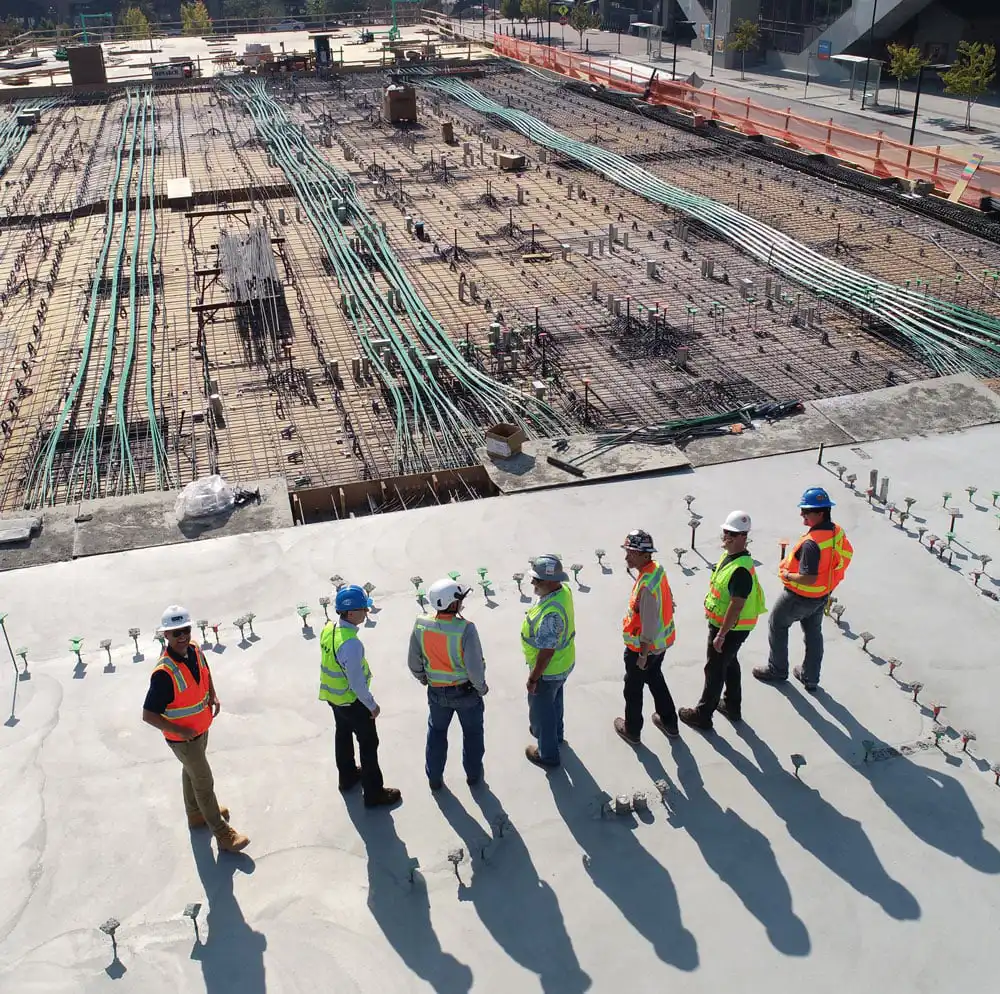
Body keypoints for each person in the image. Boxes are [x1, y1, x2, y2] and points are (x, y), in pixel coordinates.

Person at [142, 605, 250, 853]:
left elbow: (205, 671)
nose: (182, 637)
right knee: (203, 781)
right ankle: (223, 835)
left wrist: (213, 694)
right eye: (176, 632)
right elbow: (148, 715)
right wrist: (180, 732)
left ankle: (196, 815)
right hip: (184, 739)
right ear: (166, 636)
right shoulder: (163, 673)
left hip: (200, 729)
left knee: (191, 772)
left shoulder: (195, 650)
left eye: (185, 630)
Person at [754, 487, 853, 692]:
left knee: (777, 624)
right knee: (813, 633)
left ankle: (777, 670)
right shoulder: (836, 532)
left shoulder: (811, 544)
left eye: (806, 511)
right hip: (822, 595)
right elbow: (842, 558)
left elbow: (808, 577)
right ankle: (810, 677)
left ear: (821, 513)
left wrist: (787, 575)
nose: (802, 514)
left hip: (799, 597)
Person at [679, 511, 767, 730]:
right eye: (726, 532)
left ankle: (703, 714)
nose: (726, 536)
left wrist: (721, 634)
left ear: (743, 537)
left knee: (715, 669)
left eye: (732, 534)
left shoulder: (740, 570)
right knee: (729, 663)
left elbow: (736, 605)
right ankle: (731, 705)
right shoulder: (730, 558)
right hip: (729, 627)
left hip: (730, 628)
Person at [319, 584, 401, 808]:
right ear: (351, 612)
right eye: (364, 609)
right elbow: (356, 683)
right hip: (352, 702)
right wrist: (372, 706)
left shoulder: (329, 629)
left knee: (342, 736)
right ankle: (374, 793)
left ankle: (347, 778)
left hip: (333, 698)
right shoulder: (351, 644)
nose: (367, 612)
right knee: (368, 744)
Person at [408, 578, 489, 791]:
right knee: (472, 735)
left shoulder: (421, 624)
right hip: (466, 693)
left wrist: (423, 678)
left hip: (436, 692)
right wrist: (481, 688)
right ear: (452, 604)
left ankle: (434, 778)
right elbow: (474, 667)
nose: (462, 603)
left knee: (436, 734)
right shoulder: (466, 629)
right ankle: (473, 776)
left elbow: (414, 661)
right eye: (460, 599)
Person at [614, 530, 679, 744]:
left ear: (644, 555)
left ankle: (632, 730)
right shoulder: (656, 571)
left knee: (632, 688)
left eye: (631, 553)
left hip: (643, 649)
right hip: (660, 645)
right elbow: (667, 596)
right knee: (655, 678)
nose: (626, 557)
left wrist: (642, 654)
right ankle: (669, 721)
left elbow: (648, 624)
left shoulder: (647, 586)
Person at [522, 554, 576, 768]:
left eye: (538, 580)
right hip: (563, 664)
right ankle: (557, 735)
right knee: (555, 701)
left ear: (552, 581)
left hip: (549, 670)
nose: (533, 583)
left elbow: (546, 651)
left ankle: (548, 754)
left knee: (542, 712)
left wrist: (533, 678)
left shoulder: (551, 615)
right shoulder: (563, 592)